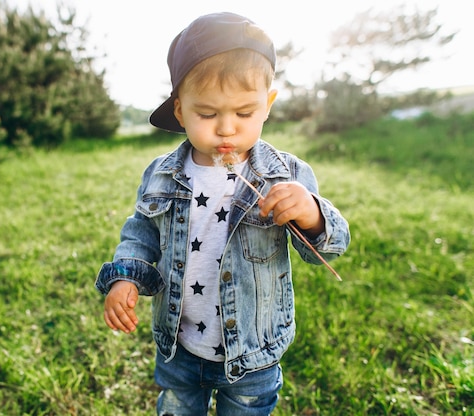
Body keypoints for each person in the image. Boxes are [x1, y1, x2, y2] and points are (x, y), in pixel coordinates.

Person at [96, 12, 350, 416]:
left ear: (267, 106)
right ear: (180, 111)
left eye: (244, 113)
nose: (227, 128)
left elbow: (329, 246)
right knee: (177, 408)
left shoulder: (284, 176)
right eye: (208, 114)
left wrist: (311, 214)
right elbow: (141, 232)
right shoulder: (164, 174)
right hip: (180, 345)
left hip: (253, 349)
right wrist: (125, 276)